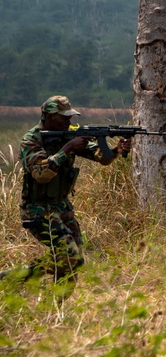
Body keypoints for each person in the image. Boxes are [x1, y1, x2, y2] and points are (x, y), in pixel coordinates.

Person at [10, 95, 131, 282]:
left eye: (70, 117)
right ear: (48, 117)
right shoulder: (32, 140)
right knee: (69, 256)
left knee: (76, 261)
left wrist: (115, 150)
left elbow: (100, 157)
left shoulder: (69, 134)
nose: (69, 121)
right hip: (37, 210)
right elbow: (40, 175)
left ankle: (58, 305)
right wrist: (67, 149)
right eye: (64, 117)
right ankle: (15, 278)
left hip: (62, 208)